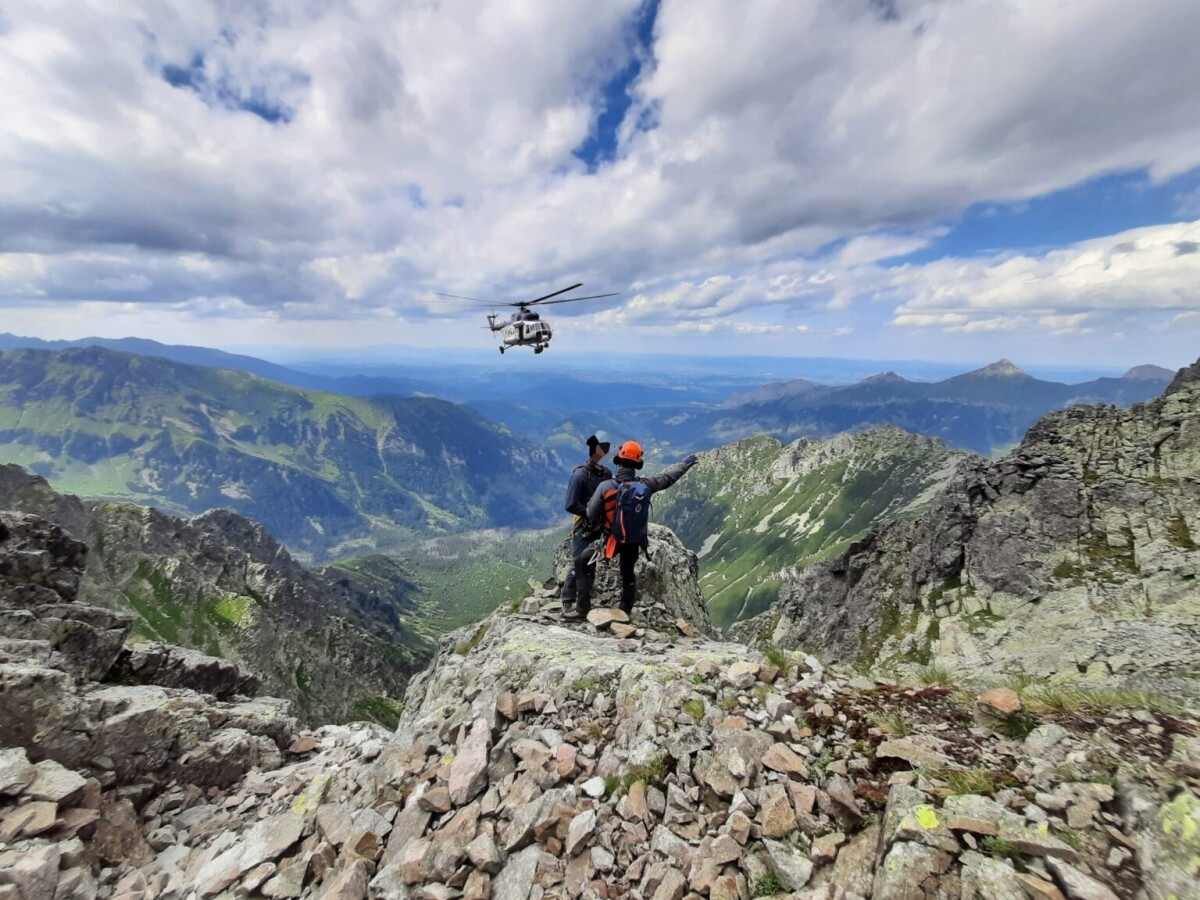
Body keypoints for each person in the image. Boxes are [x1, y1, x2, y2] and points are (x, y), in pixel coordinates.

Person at [570, 440, 699, 619]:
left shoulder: (606, 487)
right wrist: (684, 465)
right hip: (633, 540)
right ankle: (625, 610)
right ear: (638, 463)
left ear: (618, 460)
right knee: (627, 572)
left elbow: (591, 514)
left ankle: (582, 609)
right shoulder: (646, 485)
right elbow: (668, 478)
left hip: (611, 540)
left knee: (582, 561)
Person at [560, 433, 612, 619]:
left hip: (598, 524)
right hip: (584, 524)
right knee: (578, 561)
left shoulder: (604, 473)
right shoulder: (580, 475)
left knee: (590, 558)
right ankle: (568, 597)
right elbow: (571, 504)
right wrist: (592, 512)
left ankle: (582, 593)